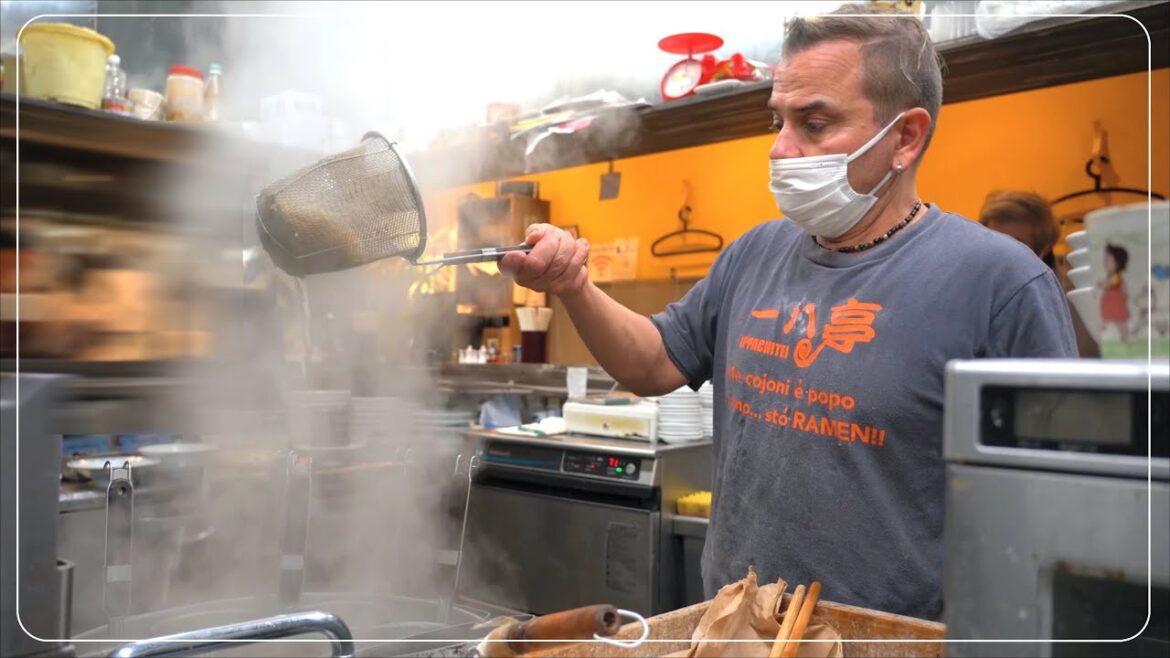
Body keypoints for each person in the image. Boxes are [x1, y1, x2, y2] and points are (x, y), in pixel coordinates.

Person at [500, 5, 1077, 620]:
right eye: (778, 120)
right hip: (732, 624)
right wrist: (574, 286)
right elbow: (654, 362)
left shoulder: (1001, 286)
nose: (780, 148)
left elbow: (1054, 515)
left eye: (816, 123)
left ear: (906, 137)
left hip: (889, 641)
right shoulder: (755, 253)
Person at [979, 190, 1060, 269]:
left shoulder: (1069, 279)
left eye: (1013, 245)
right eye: (994, 243)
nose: (1000, 254)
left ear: (1043, 251)